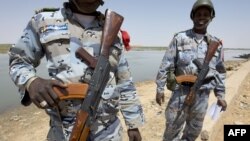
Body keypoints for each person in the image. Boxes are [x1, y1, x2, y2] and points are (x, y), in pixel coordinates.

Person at [8, 0, 144, 140]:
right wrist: (32, 82)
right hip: (64, 132)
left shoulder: (113, 30)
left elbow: (124, 80)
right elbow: (18, 61)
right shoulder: (43, 21)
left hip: (108, 131)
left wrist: (133, 124)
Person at [155, 0, 227, 141]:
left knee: (193, 132)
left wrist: (220, 96)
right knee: (171, 130)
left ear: (211, 17)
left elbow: (220, 71)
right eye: (198, 14)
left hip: (202, 95)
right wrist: (160, 88)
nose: (201, 17)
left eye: (206, 14)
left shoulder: (216, 44)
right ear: (192, 16)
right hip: (180, 93)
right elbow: (166, 63)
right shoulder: (180, 38)